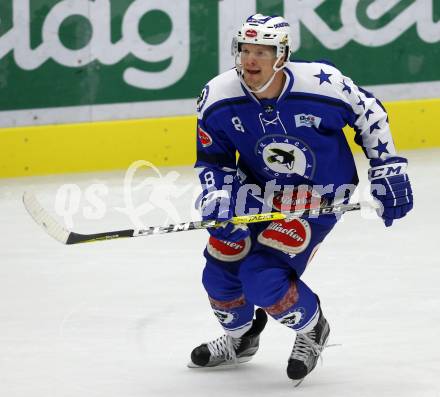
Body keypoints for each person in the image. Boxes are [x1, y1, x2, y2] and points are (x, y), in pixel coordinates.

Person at [188, 14, 413, 384]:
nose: (250, 60)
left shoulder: (322, 85)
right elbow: (214, 159)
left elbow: (368, 112)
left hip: (318, 196)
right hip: (257, 190)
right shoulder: (218, 96)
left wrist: (387, 166)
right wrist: (219, 196)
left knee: (262, 277)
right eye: (245, 50)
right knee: (220, 270)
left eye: (262, 51)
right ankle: (242, 339)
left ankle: (312, 329)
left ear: (282, 55)